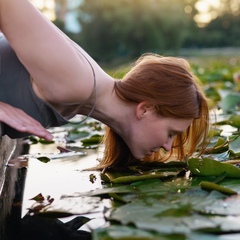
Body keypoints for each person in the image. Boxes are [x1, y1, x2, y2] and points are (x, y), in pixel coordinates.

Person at [0, 0, 210, 169]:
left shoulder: (81, 96)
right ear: (145, 109)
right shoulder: (76, 82)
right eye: (170, 133)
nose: (167, 146)